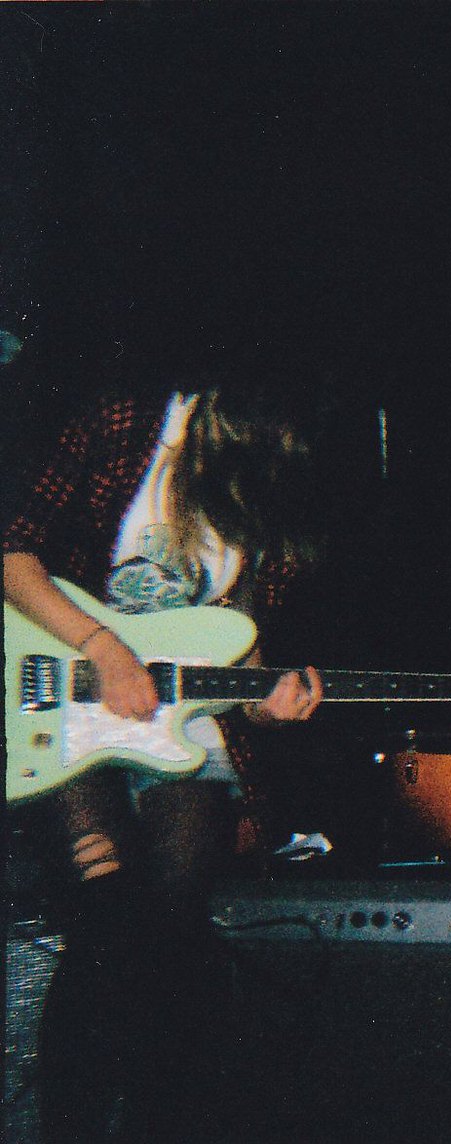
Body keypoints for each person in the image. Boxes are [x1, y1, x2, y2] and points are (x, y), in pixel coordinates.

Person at [4, 382, 326, 1141]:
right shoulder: (125, 425)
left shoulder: (265, 506)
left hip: (184, 733)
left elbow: (239, 655)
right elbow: (12, 554)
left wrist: (267, 704)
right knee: (107, 916)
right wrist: (104, 647)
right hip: (64, 702)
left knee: (172, 933)